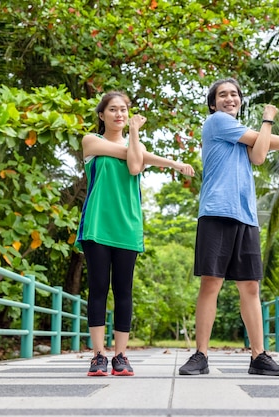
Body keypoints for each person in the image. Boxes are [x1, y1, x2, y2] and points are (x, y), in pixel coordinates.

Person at [178, 78, 279, 376]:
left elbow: (259, 155)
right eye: (222, 95)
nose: (230, 98)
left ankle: (259, 356)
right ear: (213, 103)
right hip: (217, 211)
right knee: (211, 283)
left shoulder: (243, 136)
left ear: (241, 101)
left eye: (235, 95)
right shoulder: (216, 122)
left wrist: (266, 126)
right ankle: (200, 354)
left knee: (251, 287)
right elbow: (261, 144)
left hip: (246, 216)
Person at [76, 91, 195, 376]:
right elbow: (134, 161)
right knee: (98, 289)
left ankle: (120, 356)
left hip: (128, 227)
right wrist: (158, 153)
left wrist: (173, 163)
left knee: (124, 291)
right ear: (102, 114)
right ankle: (98, 355)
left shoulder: (135, 144)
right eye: (113, 109)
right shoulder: (92, 141)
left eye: (124, 110)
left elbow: (135, 164)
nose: (119, 114)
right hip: (97, 225)